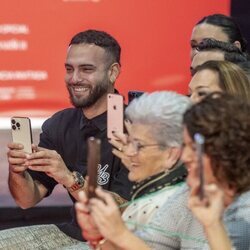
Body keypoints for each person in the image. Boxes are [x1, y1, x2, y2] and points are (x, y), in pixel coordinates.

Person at [4, 29, 132, 249]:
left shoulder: (137, 126)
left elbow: (124, 211)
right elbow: (27, 200)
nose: (74, 79)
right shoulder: (60, 124)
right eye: (69, 69)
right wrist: (17, 171)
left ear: (113, 72)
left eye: (86, 69)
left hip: (122, 239)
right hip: (74, 232)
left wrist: (68, 178)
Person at [75, 91, 191, 249]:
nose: (128, 152)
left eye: (139, 146)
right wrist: (98, 235)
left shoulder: (185, 205)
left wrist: (118, 233)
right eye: (129, 142)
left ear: (171, 153)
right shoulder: (159, 194)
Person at [183, 92, 250, 250]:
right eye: (184, 145)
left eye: (194, 148)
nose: (184, 156)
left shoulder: (245, 214)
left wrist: (213, 225)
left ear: (224, 150)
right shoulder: (199, 192)